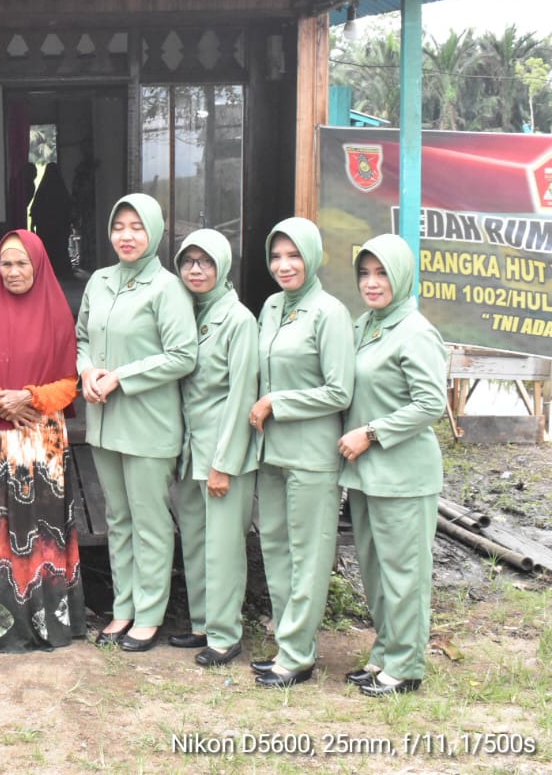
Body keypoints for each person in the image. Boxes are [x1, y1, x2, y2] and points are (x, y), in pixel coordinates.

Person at [0, 229, 85, 651]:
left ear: (38, 265)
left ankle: (46, 621)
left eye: (21, 263)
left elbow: (70, 381)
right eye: (6, 263)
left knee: (41, 527)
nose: (12, 271)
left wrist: (30, 397)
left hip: (40, 438)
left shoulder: (57, 313)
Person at [76, 193, 197, 652]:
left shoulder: (167, 288)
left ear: (155, 232)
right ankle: (123, 608)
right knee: (119, 518)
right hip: (104, 421)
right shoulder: (99, 281)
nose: (126, 236)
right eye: (119, 227)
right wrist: (87, 371)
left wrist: (121, 378)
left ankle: (149, 615)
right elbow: (81, 337)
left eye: (137, 227)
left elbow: (183, 355)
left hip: (148, 423)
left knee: (149, 521)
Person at [338, 234, 446, 697]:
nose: (372, 282)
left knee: (404, 573)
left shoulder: (416, 332)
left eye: (382, 273)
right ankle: (385, 653)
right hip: (367, 475)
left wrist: (372, 432)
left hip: (404, 473)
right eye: (365, 273)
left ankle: (405, 665)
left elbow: (431, 403)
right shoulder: (366, 325)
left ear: (401, 276)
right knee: (376, 571)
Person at [248, 217, 354, 688]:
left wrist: (277, 402)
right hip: (272, 450)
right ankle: (288, 644)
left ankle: (297, 655)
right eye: (276, 256)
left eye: (293, 255)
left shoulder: (330, 312)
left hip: (312, 453)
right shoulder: (272, 306)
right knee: (275, 547)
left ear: (311, 257)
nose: (283, 265)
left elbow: (340, 391)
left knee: (308, 553)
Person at [171, 229, 259, 667]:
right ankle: (203, 623)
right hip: (191, 451)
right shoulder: (185, 311)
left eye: (205, 261)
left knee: (223, 546)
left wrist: (224, 463)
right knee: (196, 541)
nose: (196, 270)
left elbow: (242, 395)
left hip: (223, 454)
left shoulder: (238, 320)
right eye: (188, 261)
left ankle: (225, 635)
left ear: (222, 266)